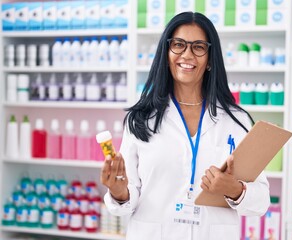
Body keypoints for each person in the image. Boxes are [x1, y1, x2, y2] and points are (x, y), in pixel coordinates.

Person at [101, 11, 270, 240]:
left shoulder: (236, 121)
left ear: (210, 59)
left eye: (198, 47)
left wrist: (234, 189)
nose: (187, 54)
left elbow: (261, 201)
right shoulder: (141, 119)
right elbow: (126, 198)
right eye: (178, 45)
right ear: (166, 52)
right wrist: (119, 192)